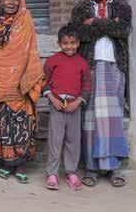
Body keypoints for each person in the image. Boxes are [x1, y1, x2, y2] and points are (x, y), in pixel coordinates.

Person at [70, 0, 132, 188]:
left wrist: (94, 23)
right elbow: (79, 34)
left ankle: (114, 166)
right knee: (91, 119)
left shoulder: (121, 5)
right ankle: (92, 168)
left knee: (113, 118)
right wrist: (109, 25)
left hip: (115, 68)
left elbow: (123, 30)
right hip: (90, 67)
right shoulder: (81, 7)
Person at [0, 0, 46, 184]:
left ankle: (20, 165)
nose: (11, 2)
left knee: (21, 123)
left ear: (20, 0)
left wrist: (26, 77)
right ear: (0, 1)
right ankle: (5, 165)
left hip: (19, 82)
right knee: (1, 125)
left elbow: (30, 49)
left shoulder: (25, 20)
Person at [42, 24, 91, 191]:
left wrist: (77, 102)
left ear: (78, 43)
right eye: (65, 43)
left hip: (74, 106)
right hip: (56, 105)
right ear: (59, 44)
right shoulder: (52, 61)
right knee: (55, 141)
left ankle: (71, 173)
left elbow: (87, 86)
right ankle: (52, 174)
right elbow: (44, 82)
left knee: (73, 141)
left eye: (72, 43)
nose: (69, 46)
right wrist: (52, 99)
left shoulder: (82, 63)